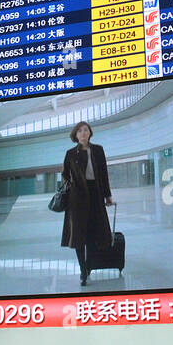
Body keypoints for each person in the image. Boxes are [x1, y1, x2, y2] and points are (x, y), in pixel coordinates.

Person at [60, 121, 114, 285]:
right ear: (75, 136)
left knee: (93, 233)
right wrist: (70, 186)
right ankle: (83, 271)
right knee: (78, 234)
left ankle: (89, 267)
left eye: (86, 130)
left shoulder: (98, 150)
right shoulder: (71, 153)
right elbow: (64, 174)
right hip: (77, 197)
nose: (83, 133)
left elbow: (104, 173)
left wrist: (108, 195)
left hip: (96, 194)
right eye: (80, 131)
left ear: (90, 133)